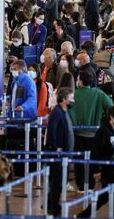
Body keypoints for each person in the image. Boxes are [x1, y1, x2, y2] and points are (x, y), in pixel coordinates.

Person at [78, 106, 114, 218]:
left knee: (106, 196)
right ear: (111, 117)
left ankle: (84, 215)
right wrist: (96, 170)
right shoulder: (103, 131)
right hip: (106, 168)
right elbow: (95, 152)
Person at [69, 71, 113, 191]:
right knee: (93, 160)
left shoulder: (73, 94)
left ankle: (81, 186)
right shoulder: (99, 93)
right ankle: (91, 185)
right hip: (94, 132)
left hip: (77, 132)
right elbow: (110, 105)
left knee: (78, 161)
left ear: (81, 81)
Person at [45, 88, 75, 216]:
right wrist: (55, 147)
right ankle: (52, 207)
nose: (73, 100)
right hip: (58, 155)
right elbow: (51, 130)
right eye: (71, 98)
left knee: (59, 182)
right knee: (57, 182)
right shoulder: (57, 112)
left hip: (64, 154)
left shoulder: (64, 111)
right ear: (64, 99)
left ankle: (51, 204)